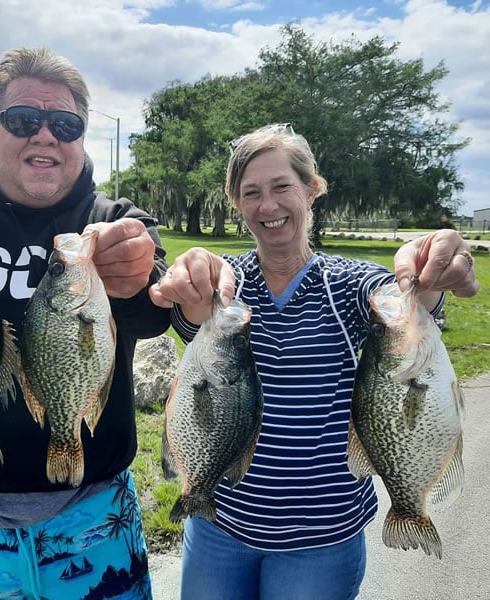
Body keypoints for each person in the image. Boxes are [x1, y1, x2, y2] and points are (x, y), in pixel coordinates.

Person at [149, 123, 480, 600]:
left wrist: (428, 270)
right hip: (220, 525)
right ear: (237, 204)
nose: (269, 205)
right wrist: (192, 277)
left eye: (282, 186)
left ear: (312, 189)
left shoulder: (351, 283)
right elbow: (198, 308)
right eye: (251, 193)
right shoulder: (227, 284)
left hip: (323, 540)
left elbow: (403, 305)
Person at [0, 47, 170, 599]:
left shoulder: (113, 222)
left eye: (65, 124)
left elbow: (153, 311)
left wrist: (140, 278)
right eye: (23, 120)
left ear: (82, 138)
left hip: (94, 515)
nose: (46, 135)